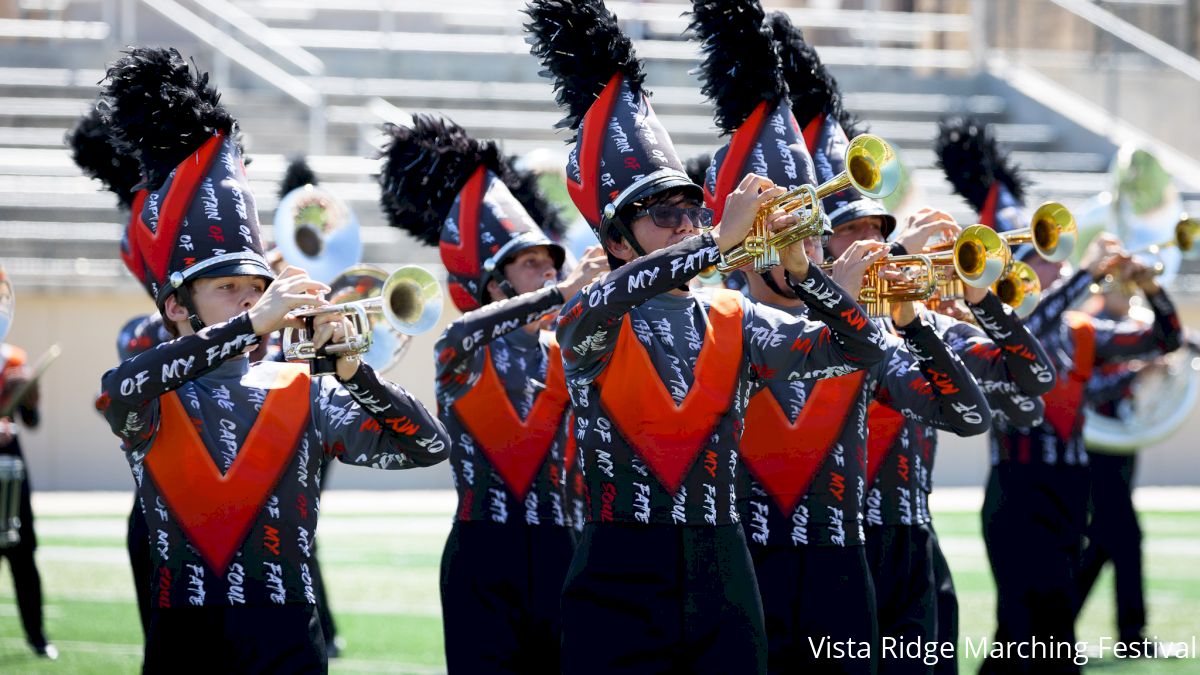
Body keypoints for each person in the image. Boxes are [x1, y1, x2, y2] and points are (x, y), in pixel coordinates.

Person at [527, 1, 887, 671]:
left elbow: (862, 349)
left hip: (724, 573)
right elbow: (590, 311)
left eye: (694, 210)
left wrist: (809, 275)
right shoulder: (596, 314)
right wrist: (717, 244)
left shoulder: (735, 318)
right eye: (665, 213)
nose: (687, 223)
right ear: (614, 237)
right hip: (616, 569)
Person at [94, 47, 449, 672]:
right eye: (226, 288)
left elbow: (427, 446)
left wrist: (355, 373)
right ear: (178, 307)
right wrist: (252, 322)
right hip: (187, 634)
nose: (249, 301)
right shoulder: (157, 387)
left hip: (289, 634)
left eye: (255, 290)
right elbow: (117, 391)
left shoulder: (304, 389)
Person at [691, 4, 989, 672]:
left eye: (805, 226)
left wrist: (915, 315)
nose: (801, 245)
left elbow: (969, 411)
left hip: (844, 577)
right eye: (776, 227)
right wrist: (718, 250)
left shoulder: (857, 323)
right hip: (741, 573)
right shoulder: (712, 318)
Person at [776, 24, 1056, 675]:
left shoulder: (915, 320)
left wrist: (982, 297)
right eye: (853, 232)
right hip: (834, 550)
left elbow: (1029, 379)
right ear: (818, 245)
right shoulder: (792, 328)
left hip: (914, 551)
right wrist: (896, 264)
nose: (871, 243)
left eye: (880, 227)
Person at [937, 117, 1185, 674]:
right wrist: (1084, 278)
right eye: (1041, 256)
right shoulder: (996, 326)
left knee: (1048, 635)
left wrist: (1150, 286)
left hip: (1071, 492)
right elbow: (1030, 332)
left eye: (1053, 255)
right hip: (1018, 492)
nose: (1054, 264)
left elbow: (1160, 339)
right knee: (1026, 630)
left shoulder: (1080, 327)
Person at [379, 113, 607, 673]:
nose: (545, 277)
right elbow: (459, 333)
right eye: (530, 266)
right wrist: (561, 291)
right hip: (482, 550)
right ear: (493, 284)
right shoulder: (462, 351)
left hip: (563, 548)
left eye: (548, 265)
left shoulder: (573, 352)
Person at [0, 341, 55, 660]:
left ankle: (37, 637)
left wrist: (30, 399)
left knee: (23, 557)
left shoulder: (13, 358)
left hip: (12, 469)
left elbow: (31, 422)